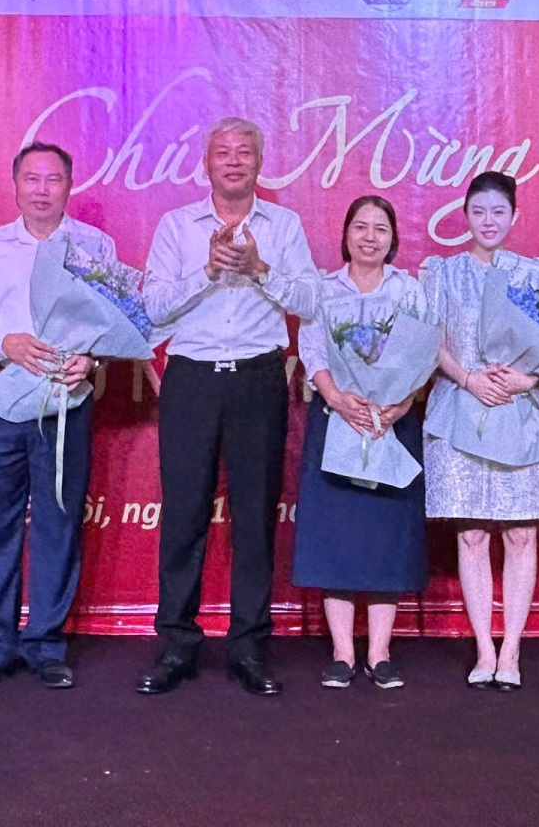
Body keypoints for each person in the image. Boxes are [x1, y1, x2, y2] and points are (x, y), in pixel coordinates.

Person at [137, 117, 319, 696]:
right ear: (206, 163)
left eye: (244, 152)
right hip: (191, 379)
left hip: (258, 379)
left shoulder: (284, 226)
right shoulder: (177, 225)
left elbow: (311, 300)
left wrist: (262, 271)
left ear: (260, 163)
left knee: (255, 515)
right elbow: (153, 307)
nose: (234, 161)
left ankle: (248, 646)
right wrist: (209, 271)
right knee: (183, 514)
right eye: (223, 152)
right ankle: (177, 643)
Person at [0, 142, 116, 693]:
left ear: (69, 186)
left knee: (58, 520)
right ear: (15, 185)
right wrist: (5, 342)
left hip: (66, 398)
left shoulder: (94, 246)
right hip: (0, 395)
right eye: (32, 178)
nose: (42, 189)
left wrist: (92, 357)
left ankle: (46, 643)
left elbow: (114, 319)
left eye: (53, 179)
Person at [422, 171, 539, 691]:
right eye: (478, 212)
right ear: (465, 216)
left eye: (498, 212)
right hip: (462, 406)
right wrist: (468, 378)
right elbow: (432, 340)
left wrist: (530, 377)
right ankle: (484, 649)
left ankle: (512, 650)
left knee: (522, 534)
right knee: (473, 534)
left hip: (520, 408)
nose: (488, 221)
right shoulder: (442, 274)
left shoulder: (536, 274)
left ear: (514, 216)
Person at [292, 195, 431, 689]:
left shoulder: (409, 290)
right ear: (346, 234)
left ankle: (380, 652)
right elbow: (312, 349)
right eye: (361, 227)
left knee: (384, 535)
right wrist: (336, 398)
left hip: (392, 424)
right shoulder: (324, 290)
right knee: (338, 535)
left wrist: (401, 403)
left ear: (393, 239)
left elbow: (424, 354)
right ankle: (342, 652)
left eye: (380, 229)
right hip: (337, 418)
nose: (370, 237)